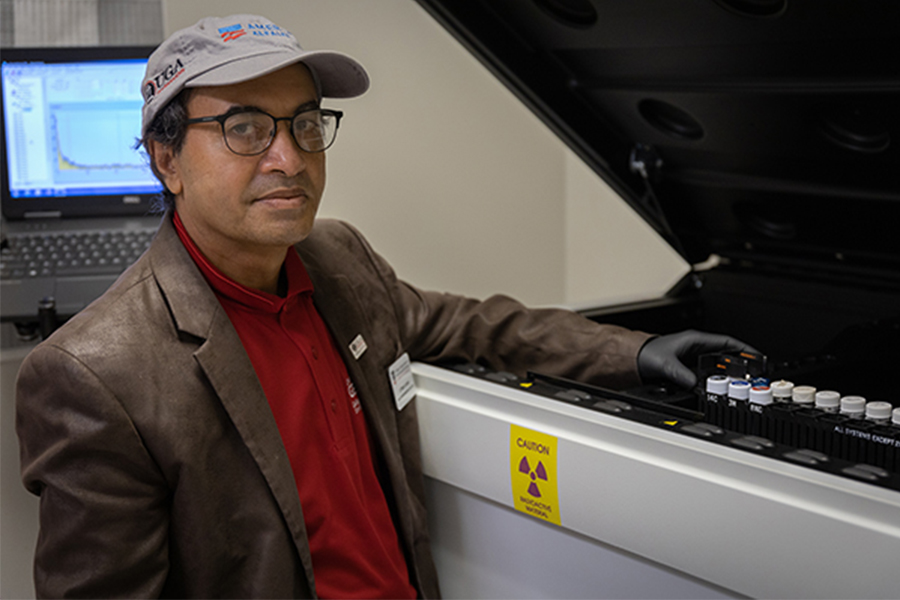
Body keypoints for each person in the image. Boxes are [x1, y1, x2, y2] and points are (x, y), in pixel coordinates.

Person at [15, 14, 755, 599]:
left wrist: (633, 353)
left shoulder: (337, 262)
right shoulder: (95, 375)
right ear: (167, 160)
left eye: (306, 122)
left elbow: (474, 324)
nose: (289, 157)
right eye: (244, 127)